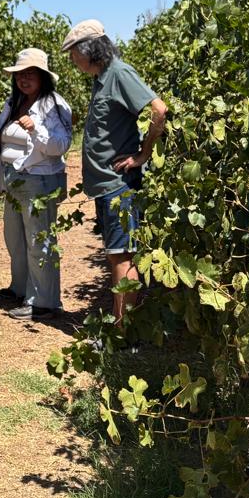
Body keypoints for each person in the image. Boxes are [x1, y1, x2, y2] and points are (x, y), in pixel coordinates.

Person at [61, 19, 167, 323]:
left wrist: (142, 155)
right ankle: (120, 325)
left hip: (119, 185)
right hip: (107, 186)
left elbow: (159, 109)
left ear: (89, 50)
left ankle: (123, 332)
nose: (72, 61)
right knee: (115, 253)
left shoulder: (120, 73)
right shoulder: (101, 79)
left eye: (73, 54)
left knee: (123, 255)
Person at [0, 48, 73, 321]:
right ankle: (20, 287)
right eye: (20, 74)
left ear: (43, 77)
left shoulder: (55, 105)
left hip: (40, 180)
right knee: (15, 238)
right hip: (14, 180)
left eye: (30, 73)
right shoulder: (14, 100)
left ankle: (43, 301)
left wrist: (36, 128)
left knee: (39, 240)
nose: (24, 78)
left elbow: (60, 145)